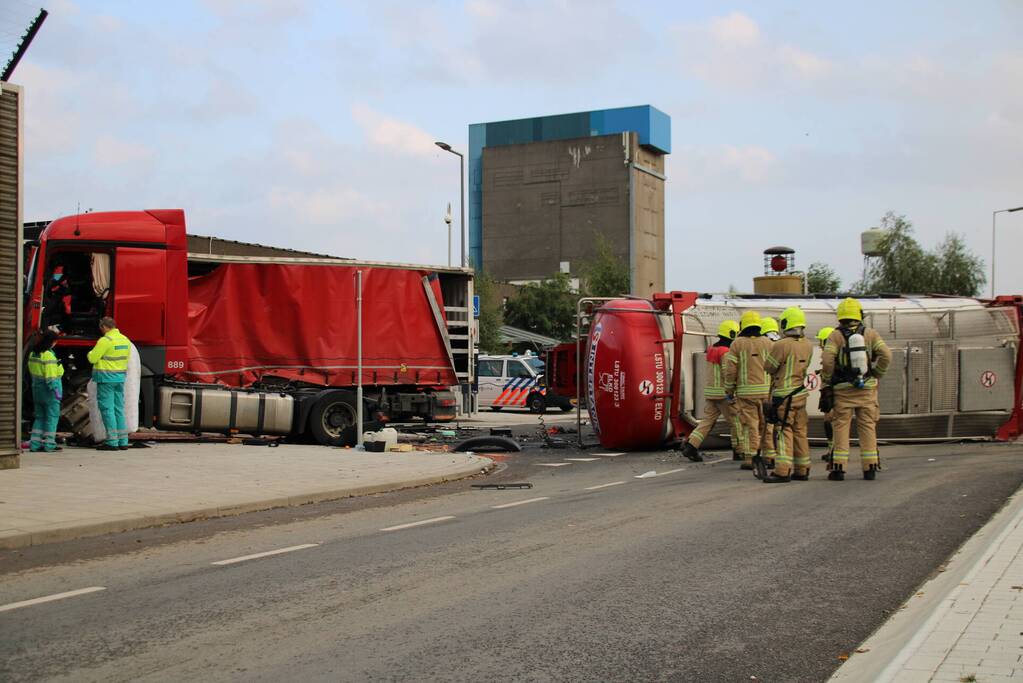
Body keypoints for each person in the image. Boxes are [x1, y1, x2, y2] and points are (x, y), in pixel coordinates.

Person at [821, 298, 892, 481]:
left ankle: (838, 468)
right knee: (867, 426)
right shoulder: (870, 334)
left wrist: (827, 381)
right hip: (867, 389)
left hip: (843, 390)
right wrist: (877, 373)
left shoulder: (835, 336)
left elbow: (827, 361)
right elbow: (886, 355)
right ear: (859, 315)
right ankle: (870, 467)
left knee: (841, 427)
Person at [762, 307, 814, 483]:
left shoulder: (781, 345)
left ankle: (782, 471)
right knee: (800, 431)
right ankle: (802, 469)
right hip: (800, 394)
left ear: (786, 323)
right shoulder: (808, 344)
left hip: (784, 395)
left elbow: (769, 367)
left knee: (784, 431)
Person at [682, 320, 740, 463]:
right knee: (736, 422)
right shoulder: (726, 352)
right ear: (732, 334)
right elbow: (727, 372)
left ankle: (691, 445)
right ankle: (739, 451)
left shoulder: (712, 349)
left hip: (711, 393)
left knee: (707, 422)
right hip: (724, 394)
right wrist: (732, 390)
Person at [723, 310, 772, 474]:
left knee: (750, 425)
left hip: (746, 394)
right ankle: (770, 456)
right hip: (766, 392)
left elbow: (731, 370)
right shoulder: (768, 343)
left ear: (743, 325)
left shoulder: (737, 344)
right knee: (767, 425)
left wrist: (729, 389)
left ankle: (751, 458)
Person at [87, 317, 131, 451]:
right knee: (119, 409)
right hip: (119, 379)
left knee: (107, 410)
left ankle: (112, 441)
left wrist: (90, 353)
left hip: (106, 379)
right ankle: (123, 441)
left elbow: (92, 358)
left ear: (104, 327)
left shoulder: (105, 340)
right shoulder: (125, 339)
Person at [27, 331, 64, 452]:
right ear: (52, 342)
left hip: (37, 389)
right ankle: (49, 444)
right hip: (49, 391)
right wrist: (57, 392)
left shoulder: (33, 353)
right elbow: (51, 377)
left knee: (39, 417)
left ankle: (34, 444)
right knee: (52, 417)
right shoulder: (48, 355)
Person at [758, 316, 780, 469]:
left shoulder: (763, 345)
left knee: (767, 425)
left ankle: (770, 456)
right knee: (779, 425)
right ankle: (777, 452)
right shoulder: (780, 344)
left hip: (767, 389)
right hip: (780, 389)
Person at [816, 327, 835, 462]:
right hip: (829, 392)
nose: (819, 345)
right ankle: (832, 449)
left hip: (831, 392)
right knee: (828, 421)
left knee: (830, 421)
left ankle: (834, 451)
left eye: (821, 341)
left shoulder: (830, 355)